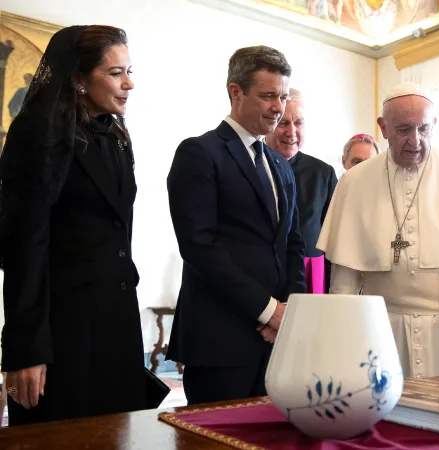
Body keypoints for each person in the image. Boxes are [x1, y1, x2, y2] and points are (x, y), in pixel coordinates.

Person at [0, 25, 147, 425]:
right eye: (116, 73)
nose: (129, 83)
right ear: (80, 79)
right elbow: (23, 245)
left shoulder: (117, 135)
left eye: (129, 70)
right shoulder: (39, 133)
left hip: (115, 323)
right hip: (63, 330)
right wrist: (26, 350)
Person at [317, 83, 439, 377]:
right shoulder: (354, 182)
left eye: (424, 129)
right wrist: (341, 345)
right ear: (383, 128)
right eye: (403, 130)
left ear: (434, 124)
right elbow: (344, 280)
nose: (415, 140)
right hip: (381, 330)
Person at [166, 46, 305, 405]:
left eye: (284, 96)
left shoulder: (281, 165)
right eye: (269, 96)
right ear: (235, 92)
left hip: (276, 341)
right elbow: (199, 246)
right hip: (220, 341)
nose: (279, 106)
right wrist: (268, 310)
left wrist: (289, 313)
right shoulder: (199, 153)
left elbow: (292, 244)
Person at [265, 88, 337, 293]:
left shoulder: (323, 173)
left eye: (299, 123)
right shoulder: (250, 164)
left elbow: (333, 240)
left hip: (310, 275)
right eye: (283, 123)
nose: (292, 132)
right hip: (263, 276)